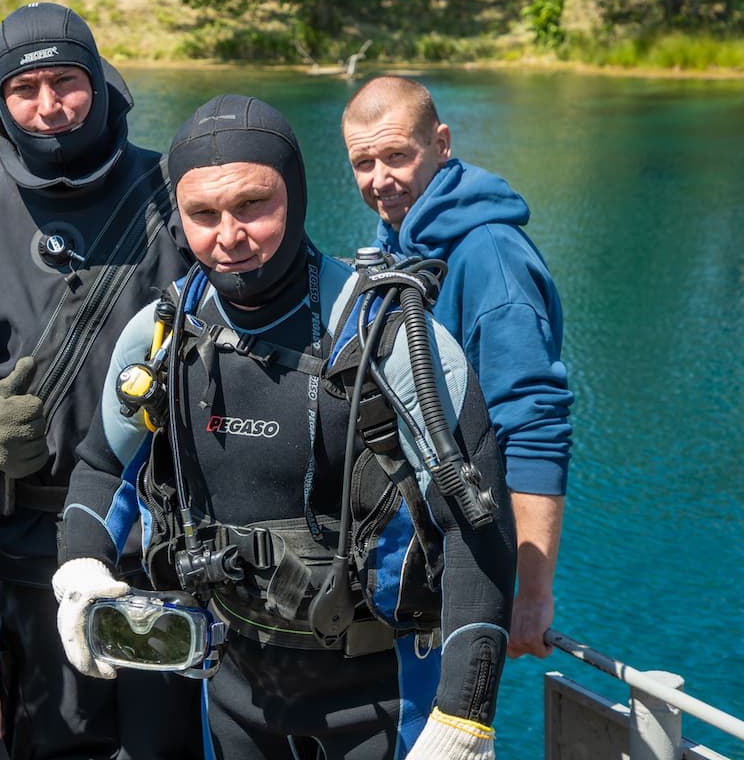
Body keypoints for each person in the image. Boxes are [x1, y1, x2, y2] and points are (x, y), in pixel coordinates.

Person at [53, 94, 517, 759]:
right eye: (202, 215)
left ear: (295, 197)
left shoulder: (392, 340)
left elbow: (478, 530)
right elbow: (103, 466)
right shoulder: (164, 335)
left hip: (386, 697)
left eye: (253, 205)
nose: (230, 236)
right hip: (238, 691)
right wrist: (80, 569)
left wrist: (464, 716)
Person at [0, 3, 197, 759]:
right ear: (1, 100)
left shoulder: (179, 194)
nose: (49, 105)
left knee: (173, 748)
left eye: (66, 81)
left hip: (172, 545)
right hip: (31, 551)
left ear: (97, 79)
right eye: (25, 89)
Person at [341, 75, 574, 660]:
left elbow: (535, 422)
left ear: (441, 143)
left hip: (471, 559)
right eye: (363, 162)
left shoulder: (490, 260)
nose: (381, 180)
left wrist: (531, 593)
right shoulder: (402, 240)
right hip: (413, 558)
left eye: (397, 156)